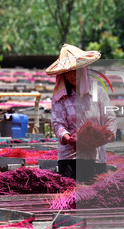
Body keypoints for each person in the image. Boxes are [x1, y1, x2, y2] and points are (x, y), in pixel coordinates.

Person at [46, 44, 117, 181]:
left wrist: (104, 136)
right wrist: (69, 138)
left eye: (75, 70)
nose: (71, 74)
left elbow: (111, 119)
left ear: (83, 69)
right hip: (71, 157)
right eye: (67, 71)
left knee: (95, 195)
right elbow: (57, 123)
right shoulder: (61, 97)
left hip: (96, 155)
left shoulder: (98, 92)